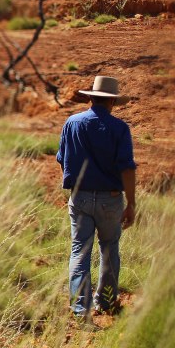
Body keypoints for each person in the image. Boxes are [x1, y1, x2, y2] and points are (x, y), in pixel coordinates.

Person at [56, 75, 137, 319]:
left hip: (79, 197)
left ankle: (81, 310)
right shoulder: (120, 129)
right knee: (109, 248)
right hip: (110, 199)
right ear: (112, 103)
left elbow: (62, 160)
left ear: (90, 97)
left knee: (80, 251)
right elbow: (127, 168)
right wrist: (131, 203)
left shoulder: (72, 123)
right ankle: (107, 302)